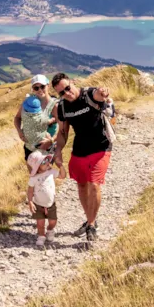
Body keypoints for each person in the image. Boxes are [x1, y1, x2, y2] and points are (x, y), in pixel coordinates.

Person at [51, 72, 114, 243]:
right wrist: (58, 151)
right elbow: (63, 133)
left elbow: (100, 95)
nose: (67, 93)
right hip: (79, 149)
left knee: (94, 183)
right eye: (62, 92)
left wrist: (103, 94)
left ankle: (91, 225)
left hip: (100, 146)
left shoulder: (89, 95)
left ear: (72, 83)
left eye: (67, 88)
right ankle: (89, 218)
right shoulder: (62, 107)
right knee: (81, 185)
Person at [14, 74, 59, 168]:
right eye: (36, 88)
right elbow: (17, 118)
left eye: (42, 86)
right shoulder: (27, 103)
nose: (40, 90)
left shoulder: (54, 105)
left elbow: (63, 128)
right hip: (29, 147)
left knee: (45, 178)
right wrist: (20, 132)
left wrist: (51, 140)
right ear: (33, 89)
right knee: (33, 177)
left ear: (48, 86)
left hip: (46, 149)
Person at [26, 150, 64, 248]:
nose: (47, 162)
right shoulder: (33, 178)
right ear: (36, 166)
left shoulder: (51, 172)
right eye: (43, 162)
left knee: (53, 221)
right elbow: (30, 191)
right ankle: (41, 236)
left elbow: (62, 176)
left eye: (48, 160)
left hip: (50, 203)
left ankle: (50, 230)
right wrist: (30, 201)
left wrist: (60, 166)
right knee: (40, 223)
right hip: (38, 204)